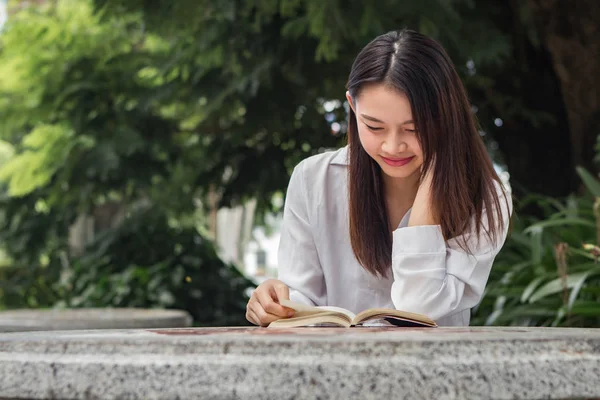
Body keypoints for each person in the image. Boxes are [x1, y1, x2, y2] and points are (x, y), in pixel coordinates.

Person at [246, 29, 513, 327]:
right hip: (333, 366)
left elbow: (420, 308)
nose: (393, 146)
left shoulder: (485, 197)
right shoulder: (313, 180)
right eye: (374, 127)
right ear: (352, 106)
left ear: (446, 118)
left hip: (434, 369)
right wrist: (276, 303)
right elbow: (303, 300)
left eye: (414, 129)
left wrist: (430, 196)